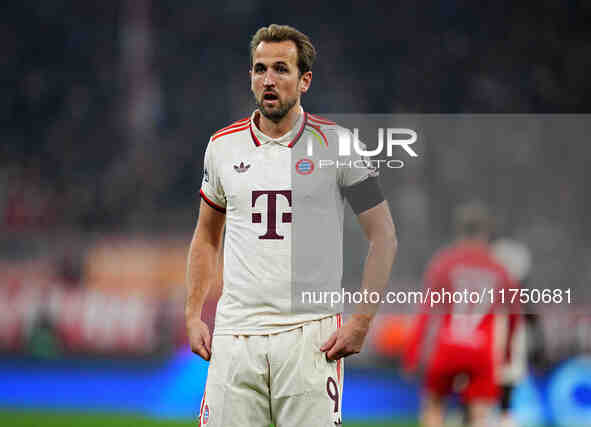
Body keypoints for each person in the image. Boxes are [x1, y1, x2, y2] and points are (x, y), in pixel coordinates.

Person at [185, 24, 397, 427]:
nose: (268, 79)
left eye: (281, 69)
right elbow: (206, 236)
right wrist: (193, 313)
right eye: (259, 69)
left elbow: (383, 235)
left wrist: (362, 320)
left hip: (310, 339)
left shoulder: (339, 145)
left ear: (305, 80)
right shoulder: (222, 147)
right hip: (235, 337)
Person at [404, 202, 518, 427]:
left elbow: (427, 312)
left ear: (459, 231)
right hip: (482, 350)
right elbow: (512, 317)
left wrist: (414, 355)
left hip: (446, 347)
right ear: (486, 234)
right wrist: (506, 356)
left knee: (434, 407)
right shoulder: (499, 269)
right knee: (479, 415)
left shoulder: (444, 264)